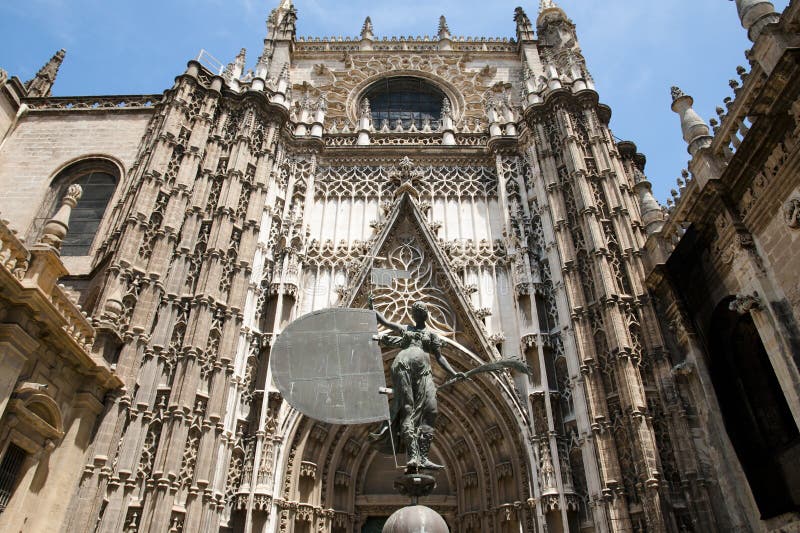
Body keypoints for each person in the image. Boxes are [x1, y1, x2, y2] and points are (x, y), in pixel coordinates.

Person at [368, 296, 464, 471]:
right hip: (403, 366)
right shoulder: (406, 328)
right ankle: (413, 456)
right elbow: (386, 322)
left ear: (426, 314)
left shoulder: (431, 335)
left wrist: (454, 373)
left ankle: (423, 457)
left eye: (422, 311)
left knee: (431, 409)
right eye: (416, 311)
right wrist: (371, 307)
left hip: (424, 372)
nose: (420, 313)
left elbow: (440, 357)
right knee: (408, 410)